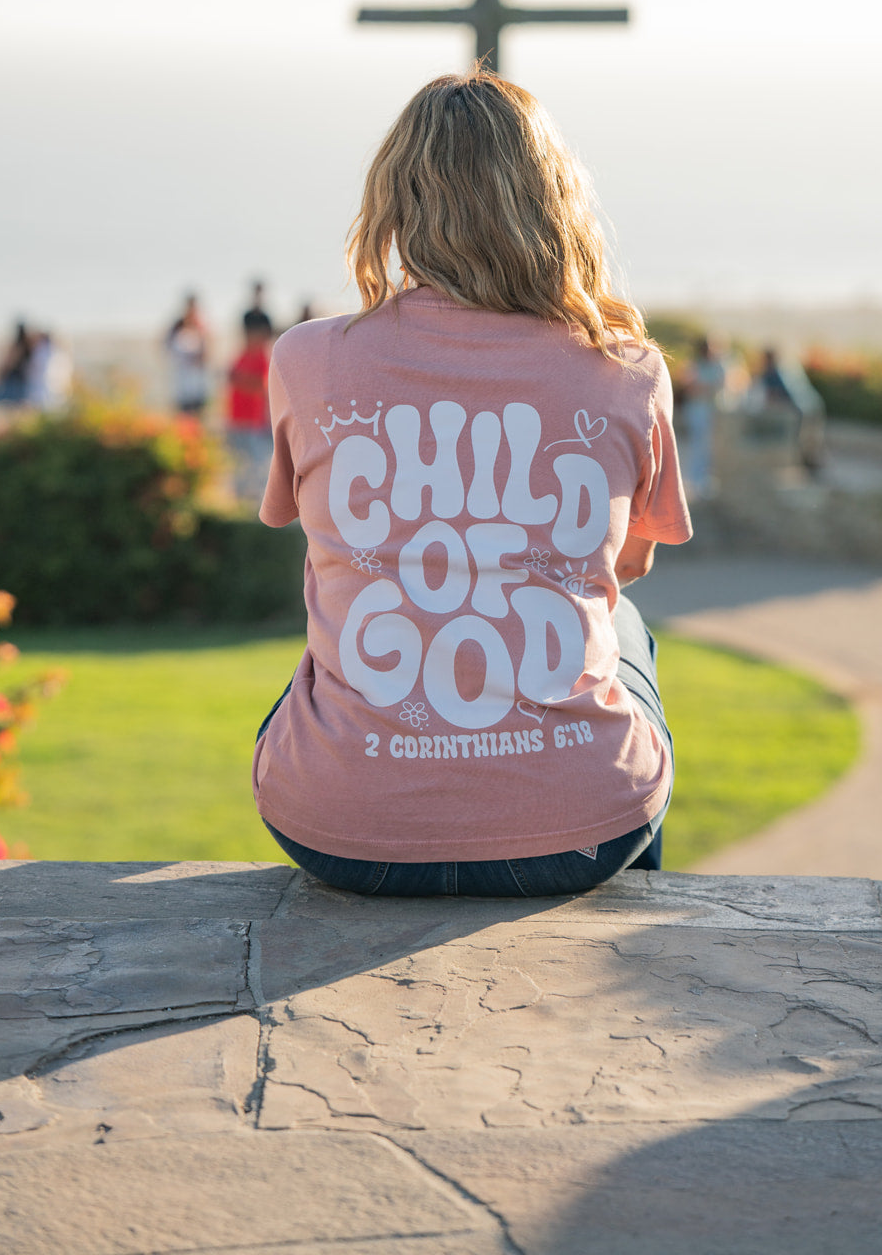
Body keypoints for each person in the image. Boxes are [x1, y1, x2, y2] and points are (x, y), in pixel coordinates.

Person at [253, 70, 692, 899]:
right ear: (554, 199)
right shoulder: (627, 370)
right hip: (585, 840)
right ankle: (637, 915)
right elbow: (620, 570)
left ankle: (369, 777)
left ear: (395, 201)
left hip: (341, 838)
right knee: (624, 626)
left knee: (328, 638)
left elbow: (304, 526)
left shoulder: (306, 360)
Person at [225, 321, 273, 503]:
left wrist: (241, 380)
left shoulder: (262, 357)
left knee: (257, 460)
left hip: (253, 419)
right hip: (236, 417)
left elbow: (261, 385)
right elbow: (231, 378)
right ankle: (240, 495)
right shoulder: (241, 355)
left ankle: (257, 497)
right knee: (237, 459)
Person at [680, 335, 726, 499]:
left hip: (712, 409)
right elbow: (691, 387)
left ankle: (703, 481)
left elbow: (721, 385)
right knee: (697, 444)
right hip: (697, 409)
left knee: (709, 446)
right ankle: (694, 481)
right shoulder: (694, 365)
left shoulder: (718, 365)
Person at [163, 294, 211, 416]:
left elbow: (207, 354)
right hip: (182, 384)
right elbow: (167, 348)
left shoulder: (201, 328)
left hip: (198, 384)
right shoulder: (177, 328)